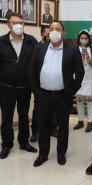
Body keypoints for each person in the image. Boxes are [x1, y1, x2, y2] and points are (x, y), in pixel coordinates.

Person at [29, 21, 84, 167]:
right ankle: (43, 154)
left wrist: (70, 92)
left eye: (57, 29)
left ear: (63, 32)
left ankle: (61, 153)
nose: (54, 31)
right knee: (43, 125)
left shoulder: (72, 49)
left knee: (63, 125)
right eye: (51, 29)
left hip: (63, 95)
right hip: (43, 94)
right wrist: (37, 91)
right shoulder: (39, 48)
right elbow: (32, 70)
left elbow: (79, 73)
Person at [0, 13, 38, 159]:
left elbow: (36, 63)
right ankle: (6, 144)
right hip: (5, 88)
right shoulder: (1, 41)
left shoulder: (31, 41)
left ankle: (24, 142)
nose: (19, 25)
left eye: (21, 22)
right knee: (7, 117)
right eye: (15, 22)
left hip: (25, 87)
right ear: (8, 24)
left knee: (23, 116)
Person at [30, 25, 58, 143]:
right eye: (47, 34)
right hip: (40, 87)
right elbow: (32, 68)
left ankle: (52, 128)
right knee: (37, 109)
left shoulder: (57, 47)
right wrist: (35, 88)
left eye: (51, 32)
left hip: (55, 87)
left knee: (54, 109)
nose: (50, 35)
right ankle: (35, 132)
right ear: (42, 35)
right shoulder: (37, 48)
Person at [73, 31, 92, 132]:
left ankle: (90, 121)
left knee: (90, 101)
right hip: (78, 79)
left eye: (85, 38)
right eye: (82, 38)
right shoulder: (74, 49)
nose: (84, 40)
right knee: (79, 100)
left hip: (89, 79)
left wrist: (89, 59)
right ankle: (80, 121)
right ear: (79, 38)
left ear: (88, 39)